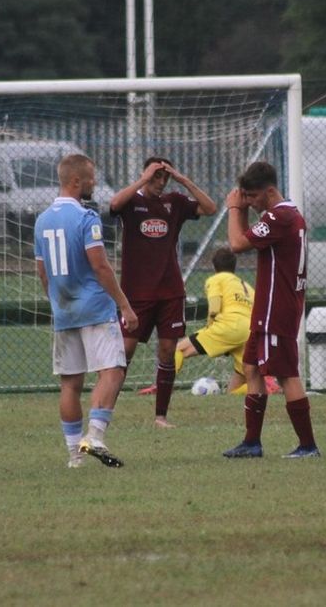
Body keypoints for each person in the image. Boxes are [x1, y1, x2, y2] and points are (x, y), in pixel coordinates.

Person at [34, 154, 138, 468]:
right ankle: (93, 435)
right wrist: (124, 304)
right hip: (94, 308)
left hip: (63, 311)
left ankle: (74, 456)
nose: (94, 183)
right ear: (77, 181)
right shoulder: (86, 218)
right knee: (113, 370)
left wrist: (55, 301)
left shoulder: (42, 220)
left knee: (70, 383)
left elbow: (42, 272)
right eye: (91, 178)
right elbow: (101, 266)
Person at [222, 161, 320, 459]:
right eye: (245, 197)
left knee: (286, 374)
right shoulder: (286, 215)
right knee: (251, 367)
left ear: (270, 191)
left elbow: (237, 244)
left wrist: (234, 209)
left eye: (252, 197)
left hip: (277, 307)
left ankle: (307, 445)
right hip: (269, 306)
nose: (249, 202)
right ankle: (252, 442)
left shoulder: (280, 216)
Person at [110, 157, 216, 428]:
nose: (160, 182)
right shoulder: (132, 202)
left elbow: (210, 208)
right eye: (156, 176)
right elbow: (113, 205)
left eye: (163, 177)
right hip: (136, 293)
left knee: (168, 351)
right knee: (124, 350)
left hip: (170, 292)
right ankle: (104, 410)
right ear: (146, 175)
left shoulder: (175, 202)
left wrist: (183, 180)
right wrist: (143, 179)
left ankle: (160, 416)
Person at [172, 247, 280, 395]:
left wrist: (210, 327)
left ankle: (163, 386)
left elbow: (215, 308)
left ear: (213, 266)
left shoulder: (216, 279)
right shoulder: (246, 286)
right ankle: (268, 388)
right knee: (234, 391)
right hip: (250, 332)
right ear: (234, 266)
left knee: (178, 349)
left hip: (229, 325)